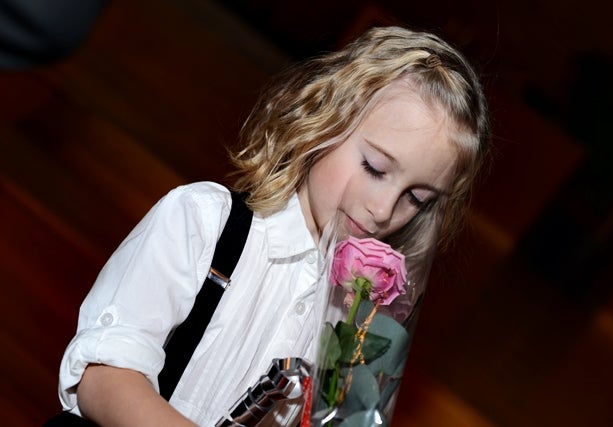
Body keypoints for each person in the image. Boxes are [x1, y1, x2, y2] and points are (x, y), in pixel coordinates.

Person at [55, 26, 490, 426]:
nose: (382, 209)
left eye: (416, 198)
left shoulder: (358, 314)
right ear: (323, 119)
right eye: (374, 167)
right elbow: (102, 377)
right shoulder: (205, 223)